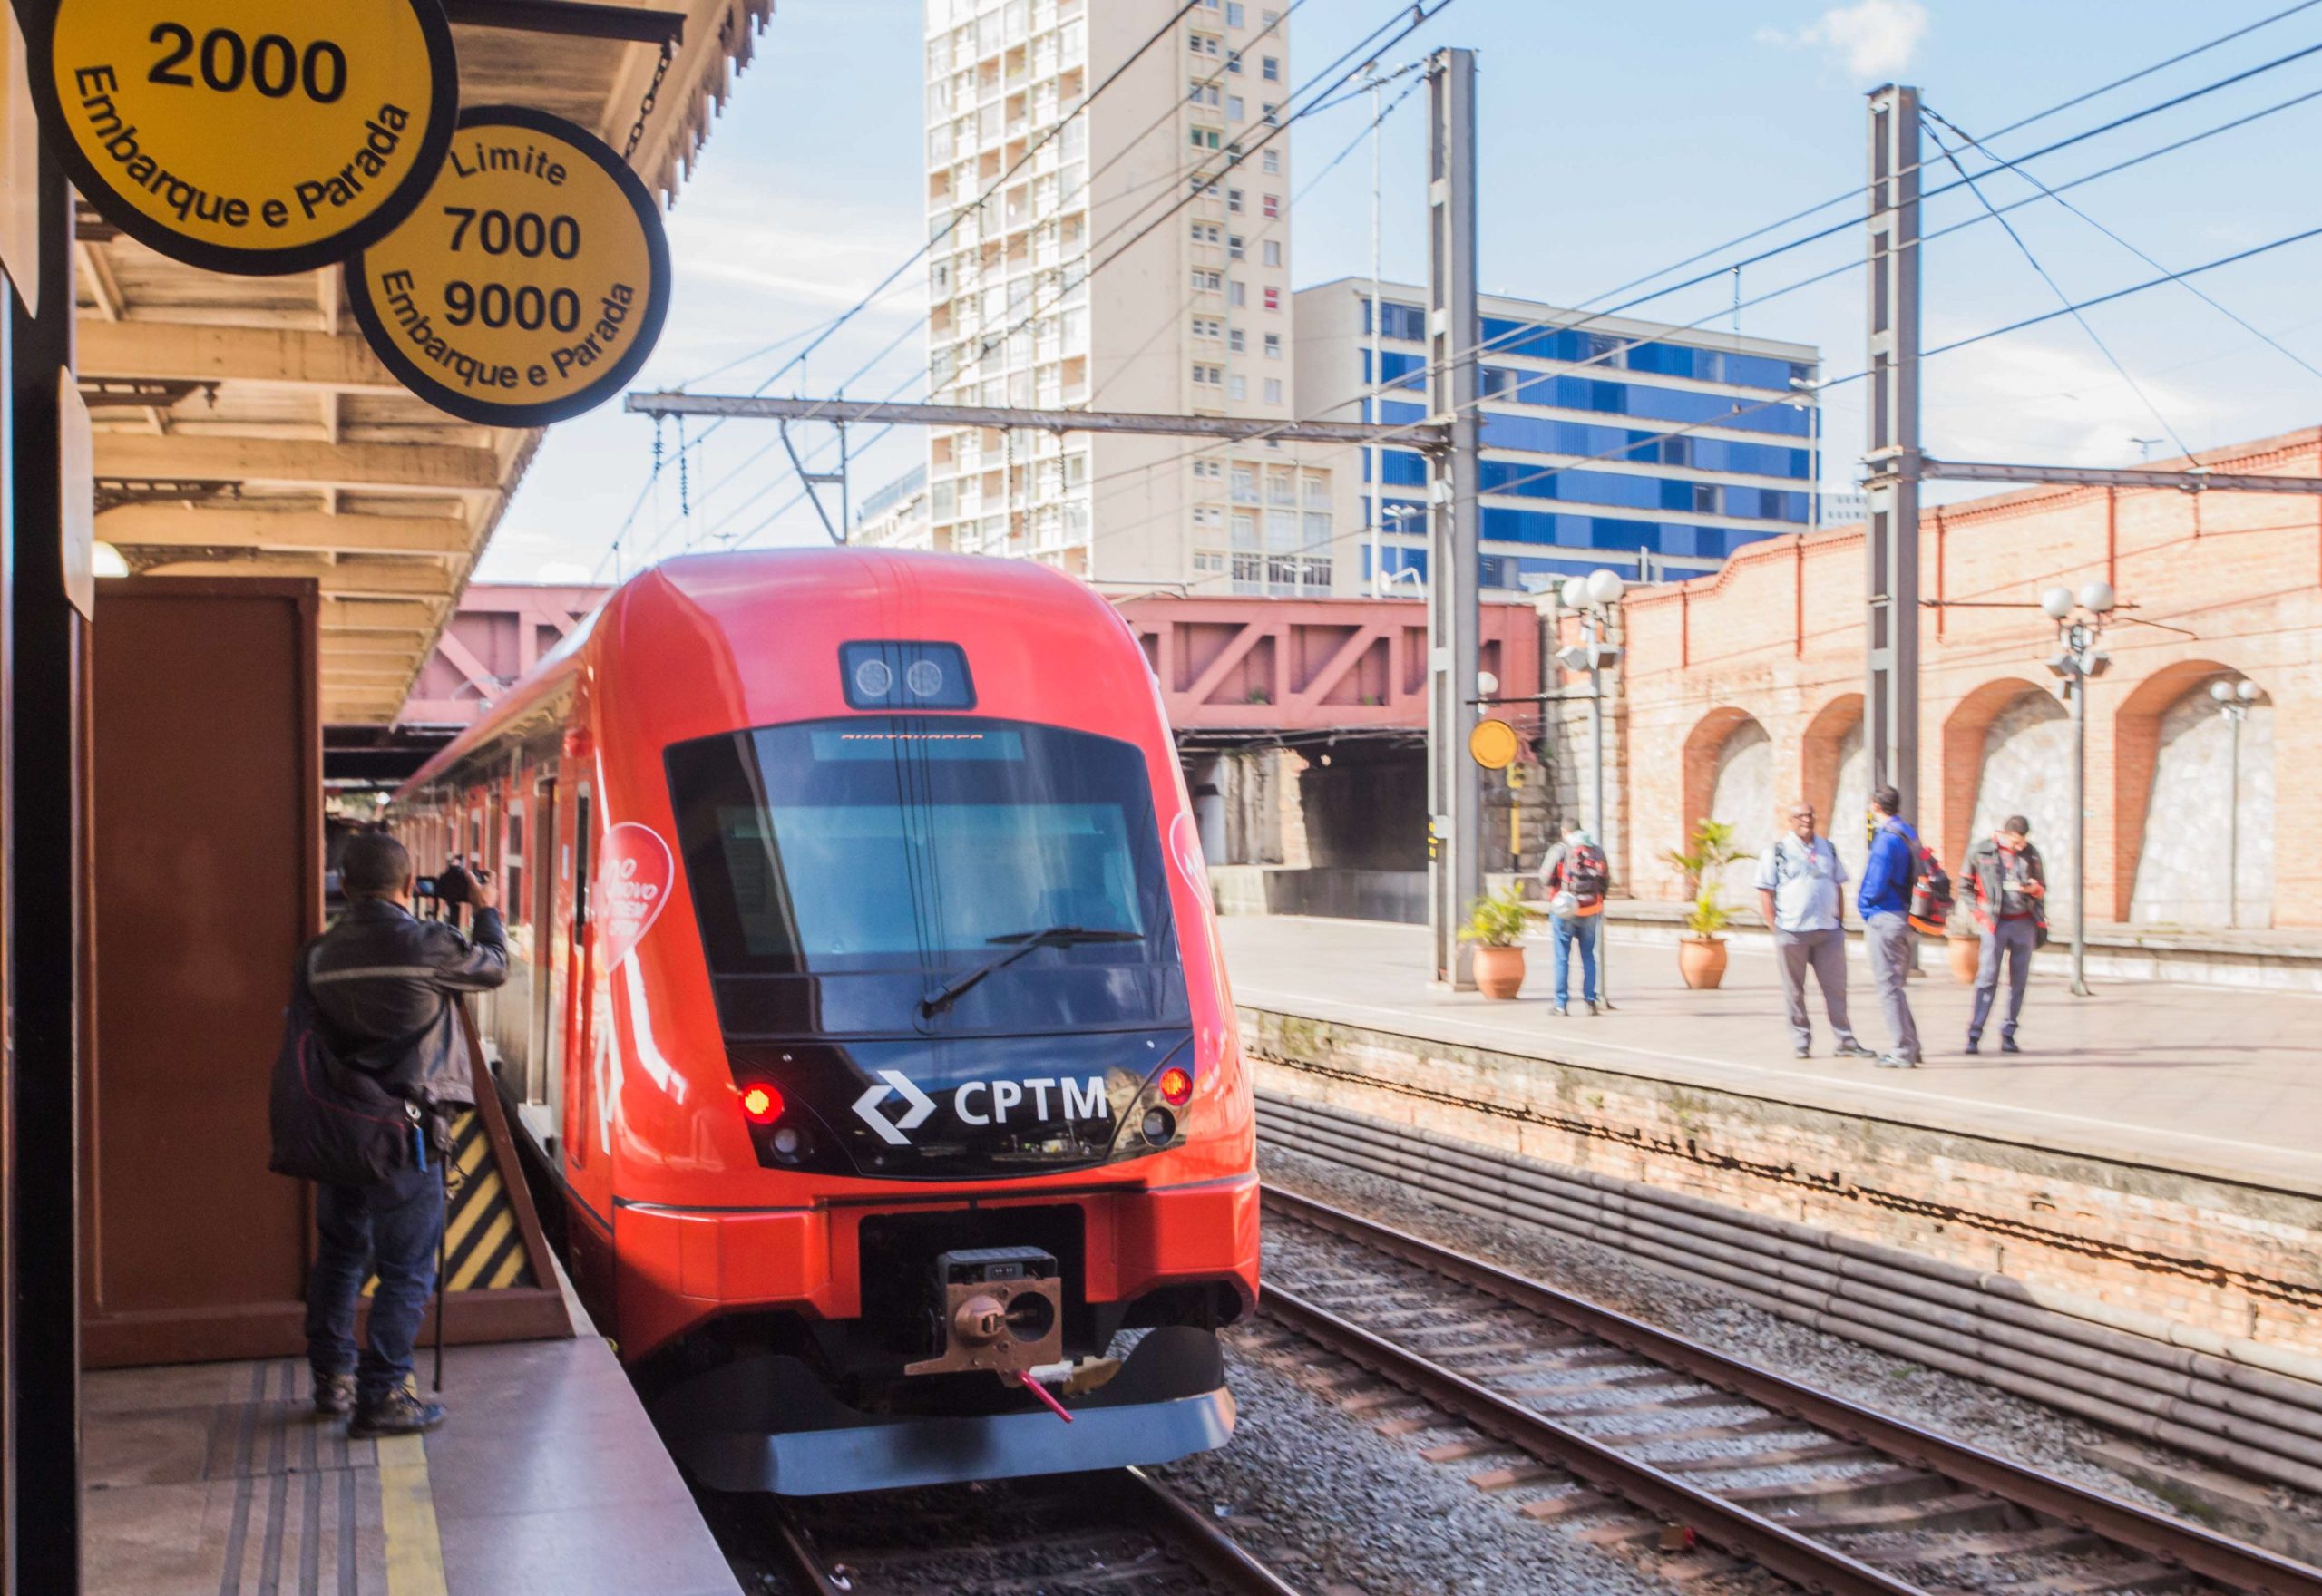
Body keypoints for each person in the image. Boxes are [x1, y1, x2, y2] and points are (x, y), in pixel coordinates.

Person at [301, 830, 507, 1436]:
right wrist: (486, 908)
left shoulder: (318, 955)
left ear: (343, 884)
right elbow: (493, 966)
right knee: (406, 1267)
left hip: (340, 1130)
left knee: (339, 1256)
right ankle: (384, 1394)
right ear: (407, 880)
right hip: (407, 1133)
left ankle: (332, 1381)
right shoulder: (428, 945)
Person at [1754, 802, 1876, 1061]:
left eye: (1810, 815)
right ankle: (1801, 1040)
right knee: (1794, 990)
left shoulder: (1827, 848)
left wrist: (1839, 921)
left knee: (1836, 987)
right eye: (1800, 816)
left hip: (1827, 930)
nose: (1806, 821)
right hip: (1792, 930)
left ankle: (1845, 1039)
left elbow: (1838, 884)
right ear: (1790, 820)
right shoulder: (1777, 851)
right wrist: (1775, 927)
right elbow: (1765, 891)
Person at [1961, 814, 2046, 1056]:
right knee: (1987, 978)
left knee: (2019, 981)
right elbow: (1964, 886)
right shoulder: (1981, 851)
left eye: (2023, 842)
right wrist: (1980, 915)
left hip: (2024, 922)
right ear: (2005, 834)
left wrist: (2035, 889)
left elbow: (2042, 886)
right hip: (1994, 923)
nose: (2020, 846)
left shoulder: (2031, 853)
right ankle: (1975, 1033)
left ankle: (2009, 1033)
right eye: (2016, 842)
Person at [1855, 784, 1922, 1069]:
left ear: (1875, 806)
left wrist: (1864, 907)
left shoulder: (1885, 839)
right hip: (1905, 914)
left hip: (1885, 915)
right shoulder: (1908, 833)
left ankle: (1903, 1049)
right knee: (1895, 985)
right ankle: (1911, 1045)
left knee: (1888, 987)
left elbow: (1876, 880)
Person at [1537, 824, 1609, 1016]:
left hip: (1564, 911)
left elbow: (1544, 878)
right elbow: (1605, 881)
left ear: (1564, 830)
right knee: (1588, 957)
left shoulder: (1560, 850)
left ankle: (1561, 1004)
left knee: (1562, 957)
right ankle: (1590, 1002)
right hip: (1591, 909)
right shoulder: (1597, 851)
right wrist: (1597, 899)